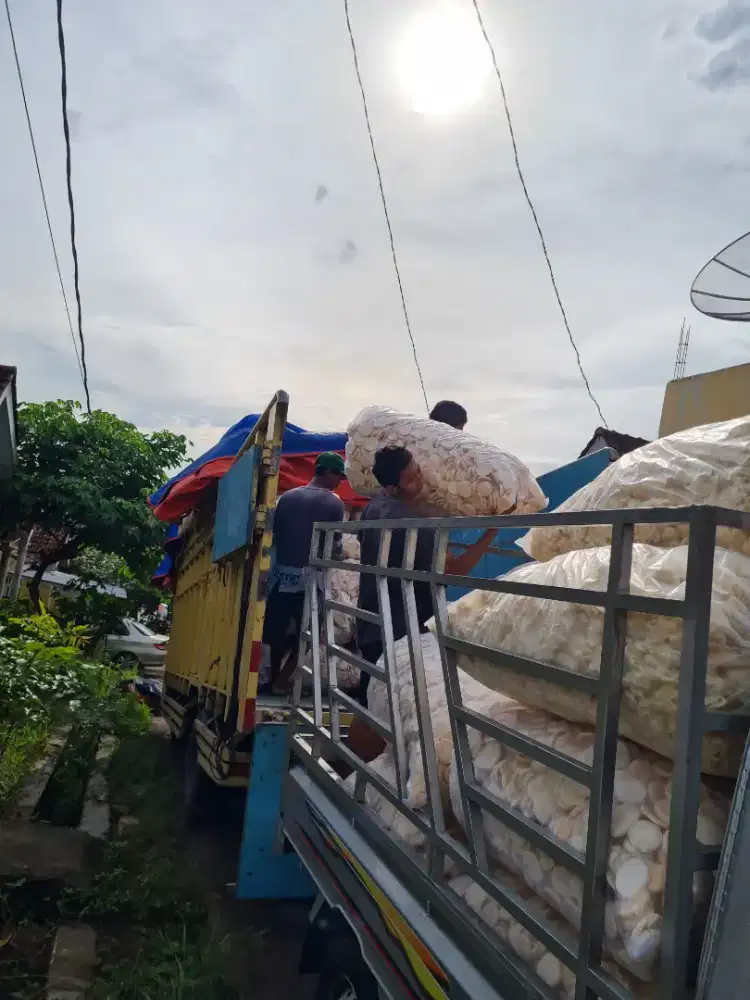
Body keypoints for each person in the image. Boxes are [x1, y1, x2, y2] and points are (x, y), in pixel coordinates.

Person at [354, 445, 495, 706]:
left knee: (371, 697)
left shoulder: (374, 507)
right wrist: (491, 532)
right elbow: (455, 570)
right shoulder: (416, 523)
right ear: (396, 486)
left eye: (418, 470)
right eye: (412, 475)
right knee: (396, 704)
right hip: (404, 630)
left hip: (371, 619)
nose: (420, 477)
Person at [261, 452, 346, 694]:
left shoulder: (286, 498)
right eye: (338, 476)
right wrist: (340, 558)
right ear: (327, 472)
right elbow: (335, 546)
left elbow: (273, 536)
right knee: (307, 634)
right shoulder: (333, 503)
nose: (339, 482)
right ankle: (282, 681)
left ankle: (272, 677)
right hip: (309, 582)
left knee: (275, 632)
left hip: (280, 579)